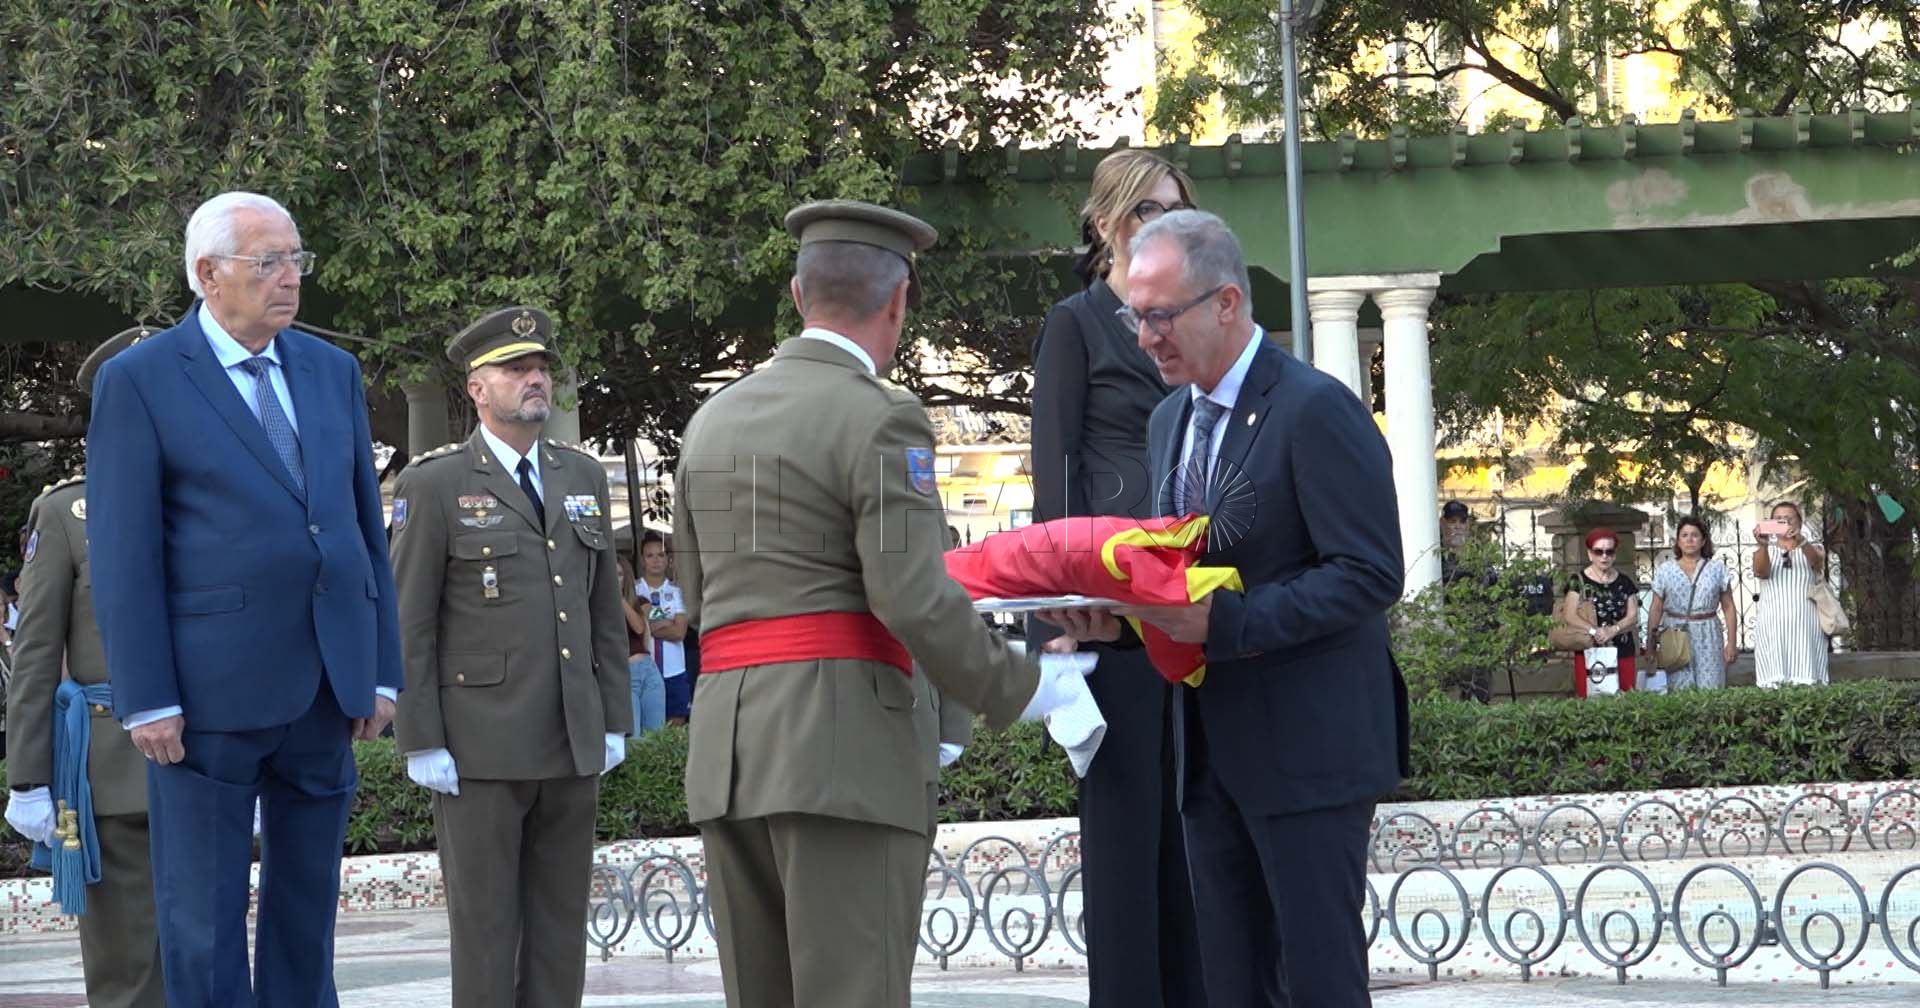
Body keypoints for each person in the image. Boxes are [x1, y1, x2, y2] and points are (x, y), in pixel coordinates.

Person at [672, 198, 1091, 1008]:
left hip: (728, 751)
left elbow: (696, 593)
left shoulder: (711, 422)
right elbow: (911, 594)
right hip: (844, 753)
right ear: (898, 302)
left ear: (799, 296)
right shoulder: (880, 415)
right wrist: (1022, 685)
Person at [1050, 209, 1409, 1007]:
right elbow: (1178, 576)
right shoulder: (1168, 418)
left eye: (1159, 316)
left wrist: (1230, 624)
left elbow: (1370, 573)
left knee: (1317, 981)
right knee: (1230, 983)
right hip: (1202, 753)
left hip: (1308, 753)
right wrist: (1114, 623)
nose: (1145, 338)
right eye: (1133, 317)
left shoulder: (1316, 409)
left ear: (1227, 303)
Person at [84, 191, 403, 1008]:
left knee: (307, 913)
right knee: (205, 917)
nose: (289, 277)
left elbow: (365, 532)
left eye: (296, 258)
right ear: (207, 274)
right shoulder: (142, 380)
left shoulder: (331, 370)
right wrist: (147, 694)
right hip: (205, 697)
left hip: (326, 684)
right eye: (268, 262)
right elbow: (124, 555)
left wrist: (381, 670)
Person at [389, 307, 630, 1008]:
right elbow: (411, 621)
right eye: (516, 369)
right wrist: (421, 737)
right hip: (479, 744)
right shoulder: (435, 483)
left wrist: (613, 715)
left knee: (560, 926)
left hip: (569, 736)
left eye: (541, 368)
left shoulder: (580, 475)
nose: (535, 380)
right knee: (488, 928)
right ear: (476, 389)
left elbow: (601, 613)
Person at [1026, 147, 1205, 1007]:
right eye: (1143, 212)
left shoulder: (1198, 328)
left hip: (1196, 609)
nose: (1158, 224)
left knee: (1197, 840)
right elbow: (1053, 474)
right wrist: (1058, 618)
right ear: (1105, 226)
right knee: (1129, 849)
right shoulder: (1077, 323)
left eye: (1173, 209)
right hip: (1107, 622)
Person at [4, 328, 165, 1008]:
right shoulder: (68, 511)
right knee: (128, 969)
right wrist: (31, 778)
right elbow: (37, 650)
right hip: (113, 766)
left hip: (213, 763)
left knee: (207, 958)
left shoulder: (221, 499)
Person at [1644, 516, 1738, 691]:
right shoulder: (1665, 570)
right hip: (1675, 633)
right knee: (1679, 688)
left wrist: (1731, 642)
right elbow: (1656, 608)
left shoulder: (1717, 569)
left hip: (1708, 632)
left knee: (1711, 688)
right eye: (1684, 535)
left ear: (1703, 541)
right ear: (1677, 541)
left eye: (1695, 535)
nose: (1689, 539)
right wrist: (1650, 643)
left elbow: (1729, 607)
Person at [1752, 500, 1830, 686]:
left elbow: (1816, 563)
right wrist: (1763, 545)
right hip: (1772, 626)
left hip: (1806, 625)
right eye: (1778, 519)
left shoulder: (1813, 549)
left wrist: (1801, 541)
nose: (1784, 522)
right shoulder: (1764, 551)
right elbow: (1761, 572)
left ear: (1799, 522)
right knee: (1774, 681)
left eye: (1789, 518)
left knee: (1807, 676)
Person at [1561, 527, 1640, 695]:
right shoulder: (1578, 581)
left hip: (1622, 649)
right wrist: (1594, 630)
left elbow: (1633, 615)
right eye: (1599, 552)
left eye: (1609, 552)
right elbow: (1569, 614)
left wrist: (1613, 630)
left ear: (1614, 555)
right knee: (1591, 699)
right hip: (1589, 651)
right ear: (1590, 554)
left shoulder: (1624, 581)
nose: (1604, 556)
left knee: (1625, 699)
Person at [638, 530, 691, 724]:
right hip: (644, 670)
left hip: (674, 670)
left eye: (660, 555)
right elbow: (636, 629)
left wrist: (648, 622)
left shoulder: (677, 591)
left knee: (676, 729)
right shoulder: (634, 590)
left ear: (668, 559)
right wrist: (667, 621)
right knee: (647, 730)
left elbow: (679, 632)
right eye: (650, 555)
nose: (655, 560)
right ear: (643, 559)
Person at [619, 555, 666, 734]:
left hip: (648, 669)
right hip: (625, 673)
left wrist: (621, 599)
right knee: (633, 739)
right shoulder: (601, 606)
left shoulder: (640, 602)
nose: (616, 579)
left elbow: (639, 628)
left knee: (656, 736)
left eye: (620, 574)